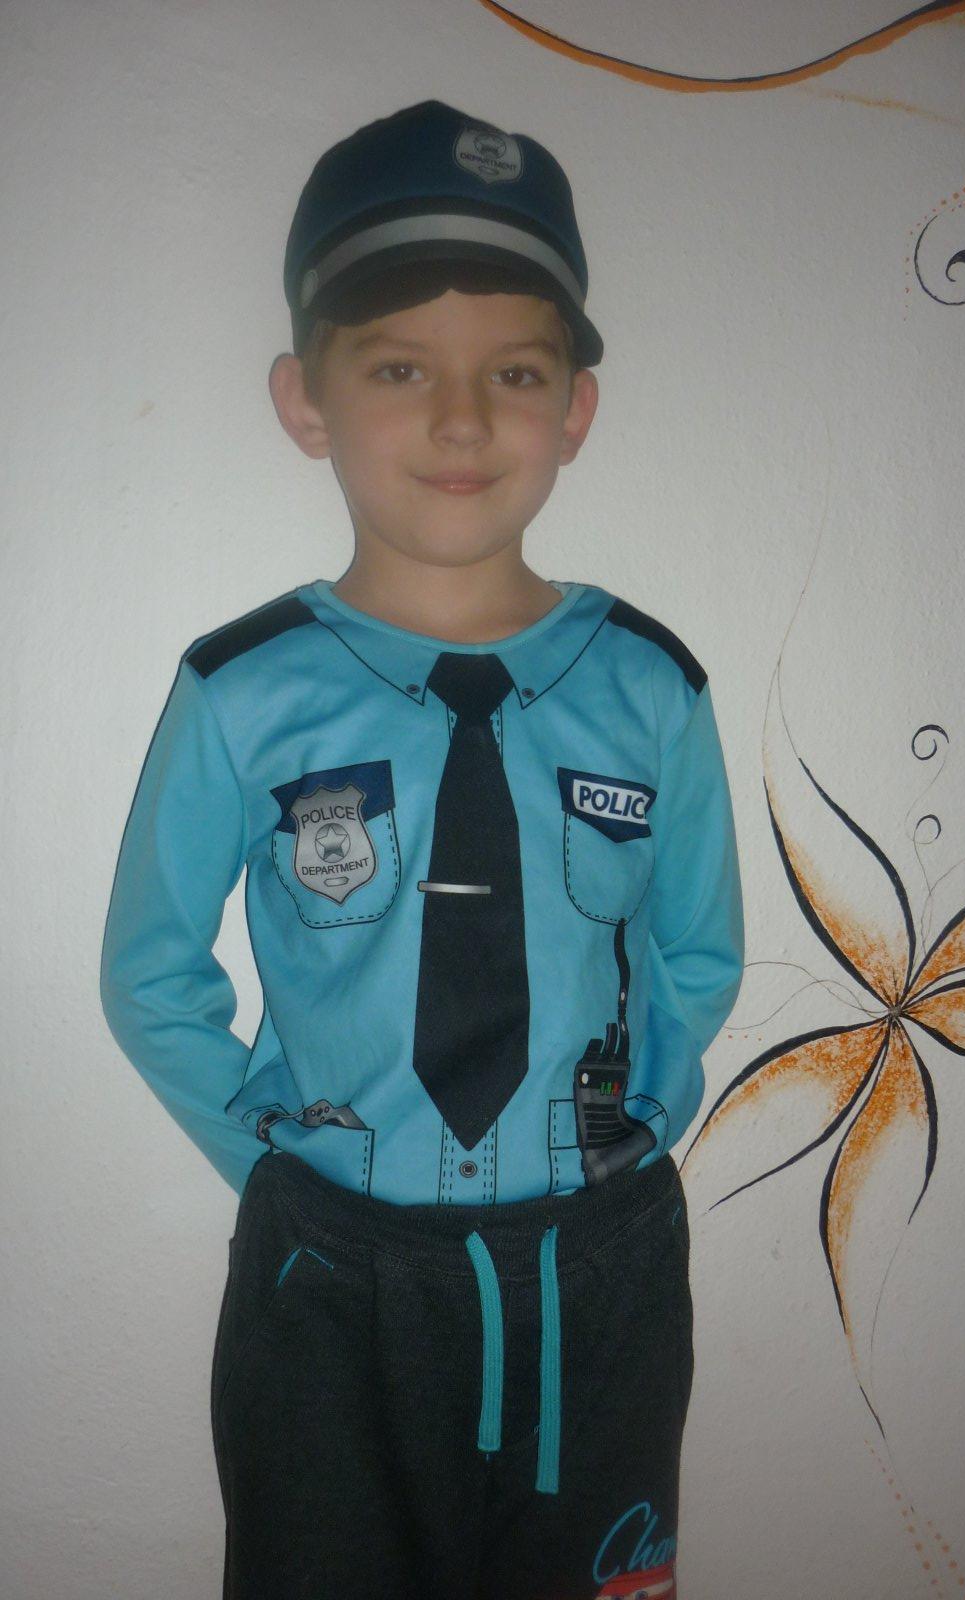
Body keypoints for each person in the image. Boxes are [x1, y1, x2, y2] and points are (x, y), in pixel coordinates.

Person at [99, 97, 745, 1600]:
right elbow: (152, 976)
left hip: (598, 1276)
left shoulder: (651, 687)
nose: (462, 421)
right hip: (330, 1284)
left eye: (514, 371)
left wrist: (625, 1133)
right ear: (305, 400)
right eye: (400, 367)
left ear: (575, 408)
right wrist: (284, 1173)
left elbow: (696, 951)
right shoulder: (242, 693)